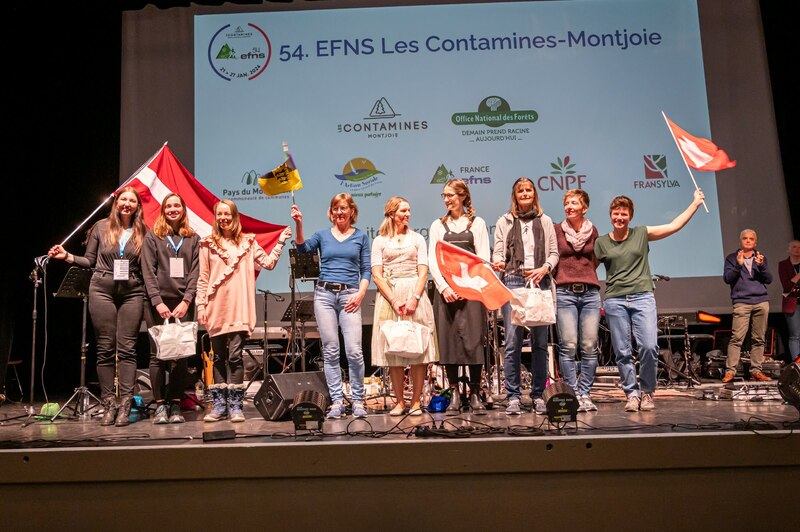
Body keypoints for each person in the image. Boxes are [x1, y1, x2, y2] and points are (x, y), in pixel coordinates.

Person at [594, 188, 705, 412]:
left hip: (642, 296)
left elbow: (673, 226)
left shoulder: (641, 233)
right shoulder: (601, 242)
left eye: (624, 214)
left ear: (630, 216)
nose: (619, 217)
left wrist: (695, 203)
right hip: (615, 300)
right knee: (623, 351)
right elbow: (587, 269)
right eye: (616, 213)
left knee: (649, 346)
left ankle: (647, 392)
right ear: (610, 215)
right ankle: (631, 394)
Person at [48, 186, 149, 427]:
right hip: (102, 289)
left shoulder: (144, 231)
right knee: (105, 349)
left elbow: (148, 266)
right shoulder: (101, 227)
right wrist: (67, 257)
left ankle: (125, 405)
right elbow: (90, 260)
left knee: (127, 349)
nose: (127, 204)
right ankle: (109, 404)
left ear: (137, 206)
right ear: (117, 203)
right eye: (123, 199)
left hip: (132, 291)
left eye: (132, 201)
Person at [197, 200, 291, 422]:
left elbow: (268, 263)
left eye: (227, 214)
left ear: (234, 216)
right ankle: (219, 406)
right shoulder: (207, 244)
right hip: (216, 306)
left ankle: (236, 406)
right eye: (219, 214)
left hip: (239, 306)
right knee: (218, 357)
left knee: (235, 356)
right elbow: (203, 277)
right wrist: (201, 305)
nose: (223, 218)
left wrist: (280, 242)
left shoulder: (248, 242)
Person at [291, 194, 371, 419]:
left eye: (343, 208)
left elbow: (366, 270)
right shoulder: (322, 235)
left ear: (351, 211)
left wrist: (360, 294)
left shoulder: (361, 236)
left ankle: (358, 400)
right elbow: (303, 249)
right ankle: (337, 401)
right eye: (335, 208)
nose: (339, 212)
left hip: (350, 296)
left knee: (354, 351)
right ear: (331, 212)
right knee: (331, 350)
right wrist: (299, 223)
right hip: (324, 295)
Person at [491, 178, 558, 415]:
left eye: (529, 190)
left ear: (534, 194)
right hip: (513, 281)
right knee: (512, 343)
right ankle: (513, 397)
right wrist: (499, 262)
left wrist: (545, 268)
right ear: (515, 196)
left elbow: (554, 253)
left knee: (540, 343)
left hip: (539, 281)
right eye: (521, 191)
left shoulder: (545, 220)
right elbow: (499, 251)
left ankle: (538, 395)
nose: (525, 193)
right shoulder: (505, 221)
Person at [371, 196, 439, 416]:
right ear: (392, 214)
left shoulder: (417, 238)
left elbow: (423, 271)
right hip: (390, 296)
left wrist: (414, 298)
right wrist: (394, 300)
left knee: (418, 350)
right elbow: (377, 275)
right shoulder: (380, 241)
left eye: (408, 210)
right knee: (394, 352)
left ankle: (416, 402)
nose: (407, 214)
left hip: (414, 294)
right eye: (403, 211)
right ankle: (400, 402)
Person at [428, 179, 490, 414]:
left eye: (450, 195)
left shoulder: (477, 223)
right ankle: (454, 391)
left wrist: (469, 287)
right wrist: (444, 288)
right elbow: (433, 260)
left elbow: (483, 259)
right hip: (447, 294)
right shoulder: (437, 225)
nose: (446, 200)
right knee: (449, 341)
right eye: (444, 196)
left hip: (471, 291)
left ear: (463, 196)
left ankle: (474, 392)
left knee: (474, 341)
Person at [141, 193, 200, 424]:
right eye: (168, 206)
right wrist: (157, 301)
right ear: (163, 210)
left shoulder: (193, 238)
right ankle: (159, 406)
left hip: (183, 304)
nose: (173, 209)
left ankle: (175, 404)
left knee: (180, 356)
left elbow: (195, 272)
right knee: (156, 355)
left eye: (177, 205)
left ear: (183, 209)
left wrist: (187, 300)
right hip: (157, 304)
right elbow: (148, 270)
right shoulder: (153, 236)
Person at [553, 189, 601, 413]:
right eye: (567, 203)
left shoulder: (593, 231)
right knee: (568, 345)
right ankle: (572, 393)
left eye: (574, 203)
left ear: (585, 208)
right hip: (565, 292)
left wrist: (583, 276)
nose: (569, 207)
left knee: (589, 346)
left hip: (590, 293)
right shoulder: (557, 230)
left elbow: (595, 260)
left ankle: (585, 393)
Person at [721, 229, 774, 382]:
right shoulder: (732, 258)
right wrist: (738, 265)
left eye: (751, 238)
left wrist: (762, 266)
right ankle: (730, 371)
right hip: (742, 302)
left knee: (759, 339)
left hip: (761, 301)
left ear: (755, 242)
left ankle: (756, 370)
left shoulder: (760, 258)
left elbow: (769, 279)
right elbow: (727, 278)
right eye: (745, 238)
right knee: (737, 338)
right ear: (741, 241)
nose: (748, 240)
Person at [778, 239, 800, 363]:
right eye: (794, 247)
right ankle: (797, 364)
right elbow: (786, 286)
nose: (797, 249)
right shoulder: (783, 265)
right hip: (793, 304)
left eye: (799, 247)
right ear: (789, 250)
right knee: (795, 335)